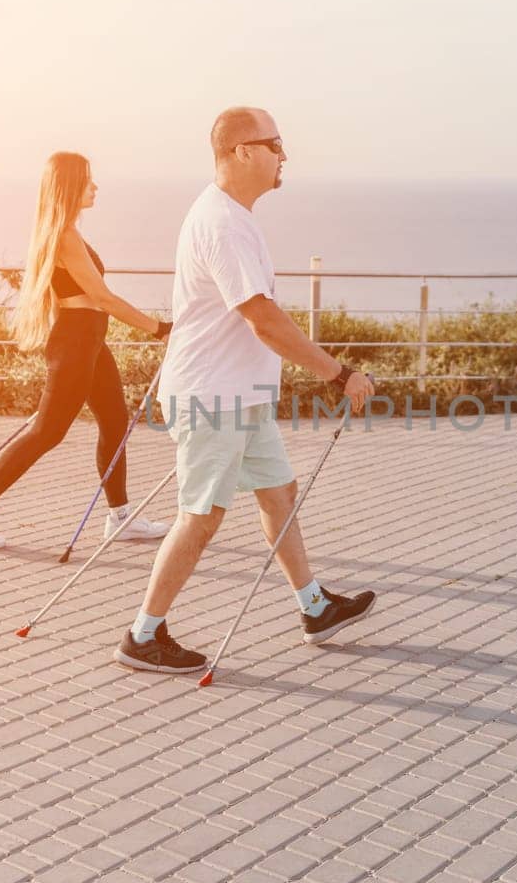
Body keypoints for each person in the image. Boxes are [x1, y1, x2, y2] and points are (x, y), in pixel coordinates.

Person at [114, 107, 377, 674]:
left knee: (279, 494)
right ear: (243, 151)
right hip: (212, 397)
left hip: (239, 395)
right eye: (276, 143)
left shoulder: (233, 215)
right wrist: (339, 373)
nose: (285, 155)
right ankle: (142, 634)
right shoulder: (223, 224)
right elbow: (262, 318)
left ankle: (313, 607)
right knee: (201, 516)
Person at [0, 152, 172, 549]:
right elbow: (102, 298)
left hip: (88, 343)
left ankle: (120, 517)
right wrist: (160, 329)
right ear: (70, 186)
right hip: (75, 343)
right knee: (48, 432)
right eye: (89, 181)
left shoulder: (67, 231)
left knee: (115, 423)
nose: (96, 187)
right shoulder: (65, 236)